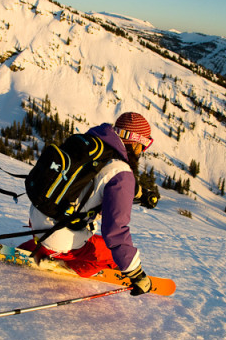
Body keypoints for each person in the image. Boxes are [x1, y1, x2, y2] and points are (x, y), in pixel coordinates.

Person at [18, 112, 154, 296]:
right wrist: (135, 273)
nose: (142, 152)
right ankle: (60, 263)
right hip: (58, 236)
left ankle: (38, 245)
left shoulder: (93, 147)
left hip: (37, 214)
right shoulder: (121, 173)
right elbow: (115, 230)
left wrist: (138, 193)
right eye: (145, 145)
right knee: (107, 257)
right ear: (136, 142)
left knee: (85, 236)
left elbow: (95, 180)